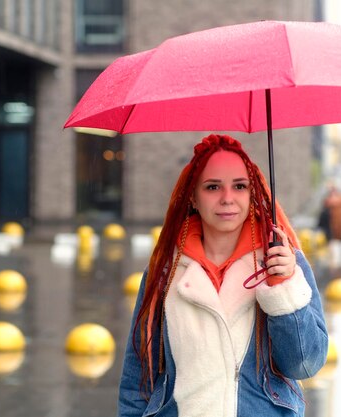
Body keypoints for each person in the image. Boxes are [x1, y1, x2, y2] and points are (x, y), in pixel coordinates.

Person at [117, 134, 328, 417]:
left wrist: (283, 289)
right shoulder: (165, 271)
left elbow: (304, 365)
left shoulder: (285, 263)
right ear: (192, 196)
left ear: (252, 194)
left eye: (239, 186)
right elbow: (138, 379)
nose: (227, 198)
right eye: (213, 187)